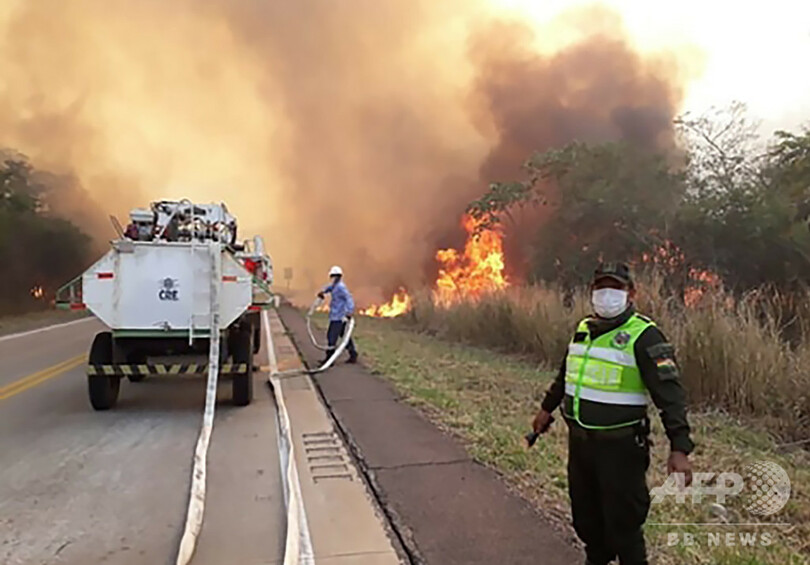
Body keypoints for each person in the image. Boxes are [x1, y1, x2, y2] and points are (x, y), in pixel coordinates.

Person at [531, 262, 694, 565]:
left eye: (616, 288)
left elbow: (670, 397)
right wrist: (545, 409)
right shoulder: (583, 330)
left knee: (624, 523)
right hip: (581, 445)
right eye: (601, 288)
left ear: (631, 293)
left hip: (620, 448)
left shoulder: (645, 336)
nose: (607, 295)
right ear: (592, 293)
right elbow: (565, 375)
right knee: (587, 517)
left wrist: (679, 448)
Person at [317, 265, 358, 364]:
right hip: (336, 316)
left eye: (336, 276)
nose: (335, 278)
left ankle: (329, 359)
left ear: (339, 276)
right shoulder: (335, 285)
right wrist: (323, 291)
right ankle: (353, 354)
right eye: (333, 276)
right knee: (344, 336)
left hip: (338, 317)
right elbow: (329, 287)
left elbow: (349, 298)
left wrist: (349, 311)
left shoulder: (340, 287)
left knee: (331, 337)